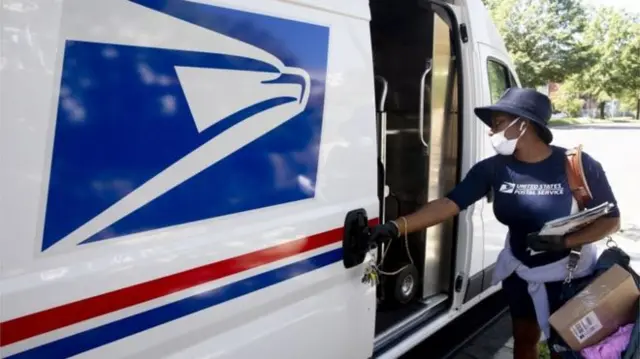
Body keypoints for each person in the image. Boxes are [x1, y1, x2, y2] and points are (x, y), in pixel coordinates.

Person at [370, 88, 620, 359]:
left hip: (568, 274)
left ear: (524, 124)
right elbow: (449, 204)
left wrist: (565, 241)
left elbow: (611, 221)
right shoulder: (492, 169)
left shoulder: (576, 165)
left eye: (498, 123)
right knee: (525, 341)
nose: (491, 132)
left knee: (565, 348)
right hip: (520, 271)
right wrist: (396, 227)